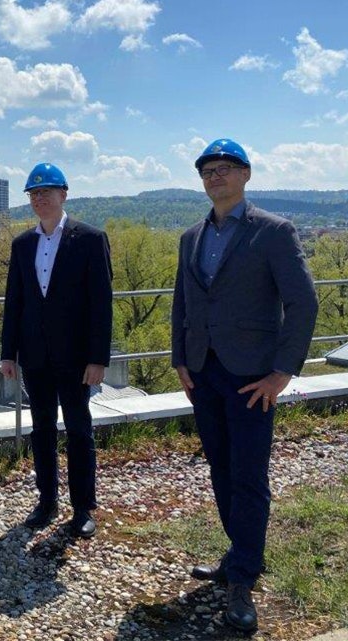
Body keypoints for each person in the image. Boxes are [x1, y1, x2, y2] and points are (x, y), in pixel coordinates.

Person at [171, 138, 318, 632]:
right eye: (208, 171)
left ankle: (243, 577)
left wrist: (282, 372)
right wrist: (180, 361)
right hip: (204, 373)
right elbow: (182, 304)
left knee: (249, 475)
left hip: (253, 375)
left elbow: (303, 304)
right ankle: (240, 553)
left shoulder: (274, 232)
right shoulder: (191, 237)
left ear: (246, 175)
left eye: (225, 168)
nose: (215, 177)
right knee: (219, 466)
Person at [0, 163, 113, 539]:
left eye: (47, 191)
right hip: (35, 356)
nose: (40, 198)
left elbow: (102, 303)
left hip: (77, 357)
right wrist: (7, 352)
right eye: (34, 193)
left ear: (64, 194)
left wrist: (99, 358)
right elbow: (14, 302)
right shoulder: (22, 245)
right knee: (42, 429)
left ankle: (83, 507)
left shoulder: (90, 239)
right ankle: (47, 500)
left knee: (79, 429)